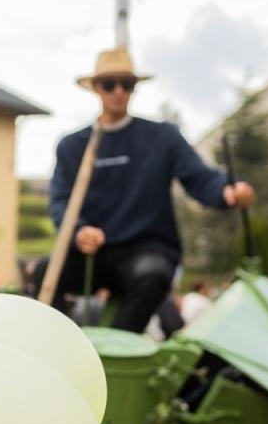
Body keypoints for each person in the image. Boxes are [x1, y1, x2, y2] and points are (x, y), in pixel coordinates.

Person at [46, 46, 254, 334]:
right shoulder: (72, 146)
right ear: (96, 88)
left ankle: (114, 352)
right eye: (109, 84)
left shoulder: (162, 137)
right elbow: (59, 203)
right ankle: (59, 345)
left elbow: (200, 178)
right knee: (44, 272)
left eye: (126, 84)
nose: (118, 91)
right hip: (94, 254)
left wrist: (228, 190)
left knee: (154, 274)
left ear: (134, 89)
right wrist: (80, 231)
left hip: (145, 251)